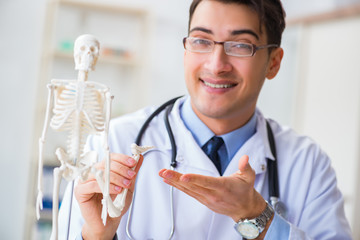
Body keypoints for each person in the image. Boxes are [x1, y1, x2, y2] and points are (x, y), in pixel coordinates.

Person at [58, 0, 352, 239]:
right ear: (185, 50)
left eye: (240, 45)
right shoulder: (115, 141)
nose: (216, 65)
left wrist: (258, 217)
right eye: (201, 41)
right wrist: (96, 237)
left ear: (273, 62)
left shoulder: (307, 163)